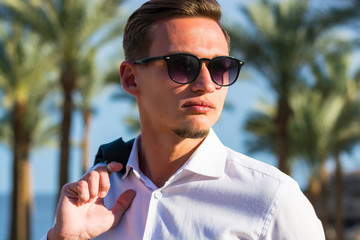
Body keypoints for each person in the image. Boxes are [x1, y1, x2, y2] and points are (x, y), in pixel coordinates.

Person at [45, 0, 325, 239]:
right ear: (131, 78)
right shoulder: (93, 200)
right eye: (182, 65)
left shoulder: (272, 200)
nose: (206, 84)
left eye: (220, 67)